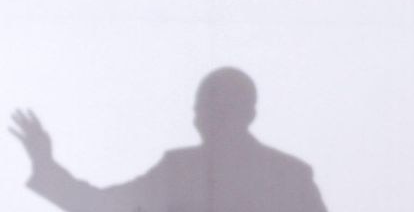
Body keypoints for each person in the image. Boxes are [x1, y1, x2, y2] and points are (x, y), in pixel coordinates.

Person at [10, 67, 328, 212]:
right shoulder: (291, 175)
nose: (202, 120)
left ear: (246, 114)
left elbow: (103, 206)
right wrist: (45, 166)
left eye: (214, 110)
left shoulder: (292, 177)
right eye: (202, 110)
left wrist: (46, 166)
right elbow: (106, 206)